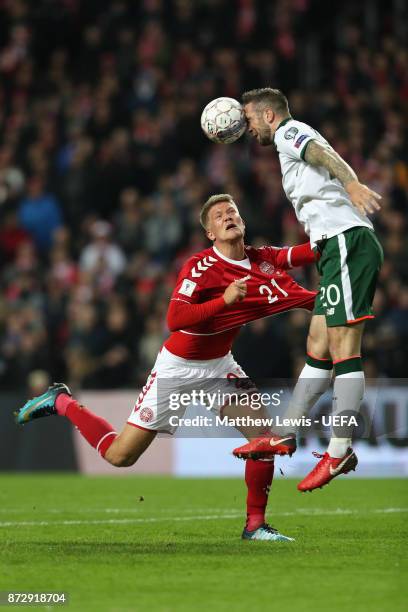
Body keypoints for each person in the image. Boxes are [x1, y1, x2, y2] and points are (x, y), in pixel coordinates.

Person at [16, 194, 319, 542]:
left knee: (263, 439)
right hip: (177, 368)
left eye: (232, 211)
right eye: (219, 216)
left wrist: (341, 237)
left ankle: (255, 526)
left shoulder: (262, 259)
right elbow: (174, 319)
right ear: (210, 233)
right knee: (121, 455)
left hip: (219, 367)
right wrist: (224, 301)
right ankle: (62, 402)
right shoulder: (200, 267)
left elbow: (299, 254)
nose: (228, 216)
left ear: (243, 222)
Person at [234, 88, 383, 492]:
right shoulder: (287, 140)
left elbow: (321, 153)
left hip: (347, 240)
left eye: (249, 118)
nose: (247, 127)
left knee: (343, 347)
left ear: (268, 115)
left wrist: (351, 185)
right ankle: (286, 433)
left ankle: (339, 451)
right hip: (333, 248)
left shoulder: (288, 132)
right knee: (317, 342)